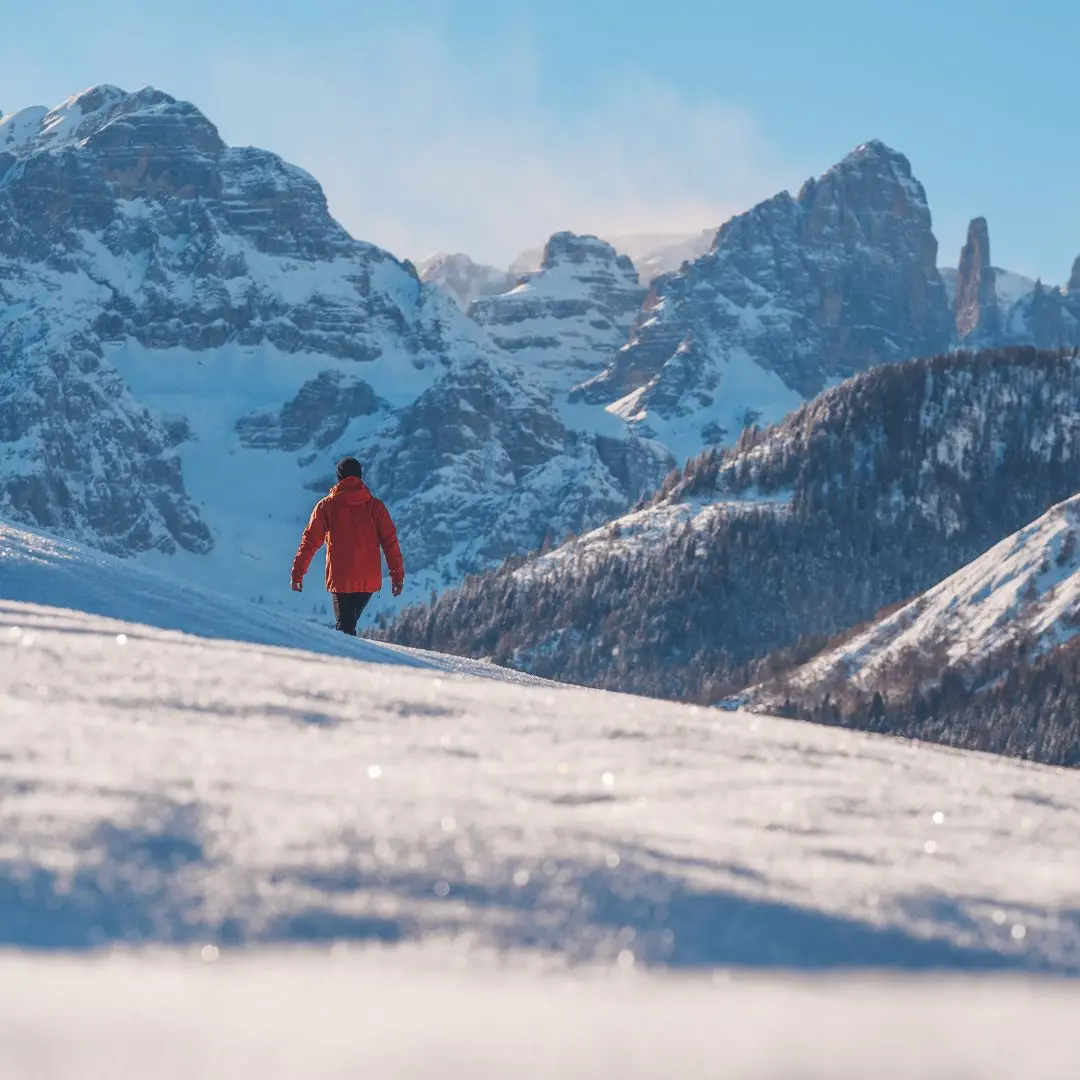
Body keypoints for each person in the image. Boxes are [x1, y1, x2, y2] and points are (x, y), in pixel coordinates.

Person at [291, 457, 405, 635]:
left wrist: (298, 572)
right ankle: (348, 657)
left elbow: (310, 542)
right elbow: (390, 542)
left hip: (341, 579)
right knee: (346, 626)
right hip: (367, 580)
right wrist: (397, 576)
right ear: (360, 477)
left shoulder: (326, 506)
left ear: (339, 478)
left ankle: (346, 659)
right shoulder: (376, 507)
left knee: (344, 629)